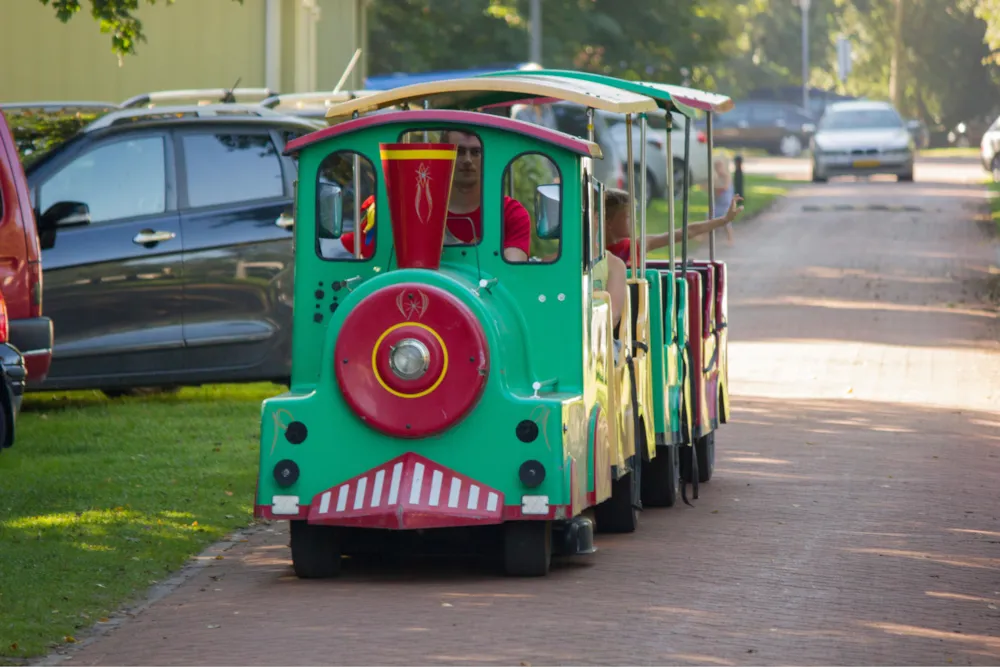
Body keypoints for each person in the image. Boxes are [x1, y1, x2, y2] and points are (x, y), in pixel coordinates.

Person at [340, 129, 532, 262]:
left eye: (476, 152)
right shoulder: (399, 208)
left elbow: (511, 272)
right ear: (443, 153)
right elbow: (357, 259)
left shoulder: (510, 214)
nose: (467, 160)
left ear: (487, 156)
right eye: (459, 151)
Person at [603, 187, 743, 266]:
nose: (635, 222)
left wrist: (723, 220)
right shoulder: (595, 253)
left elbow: (687, 232)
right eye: (628, 217)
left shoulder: (637, 245)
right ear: (608, 220)